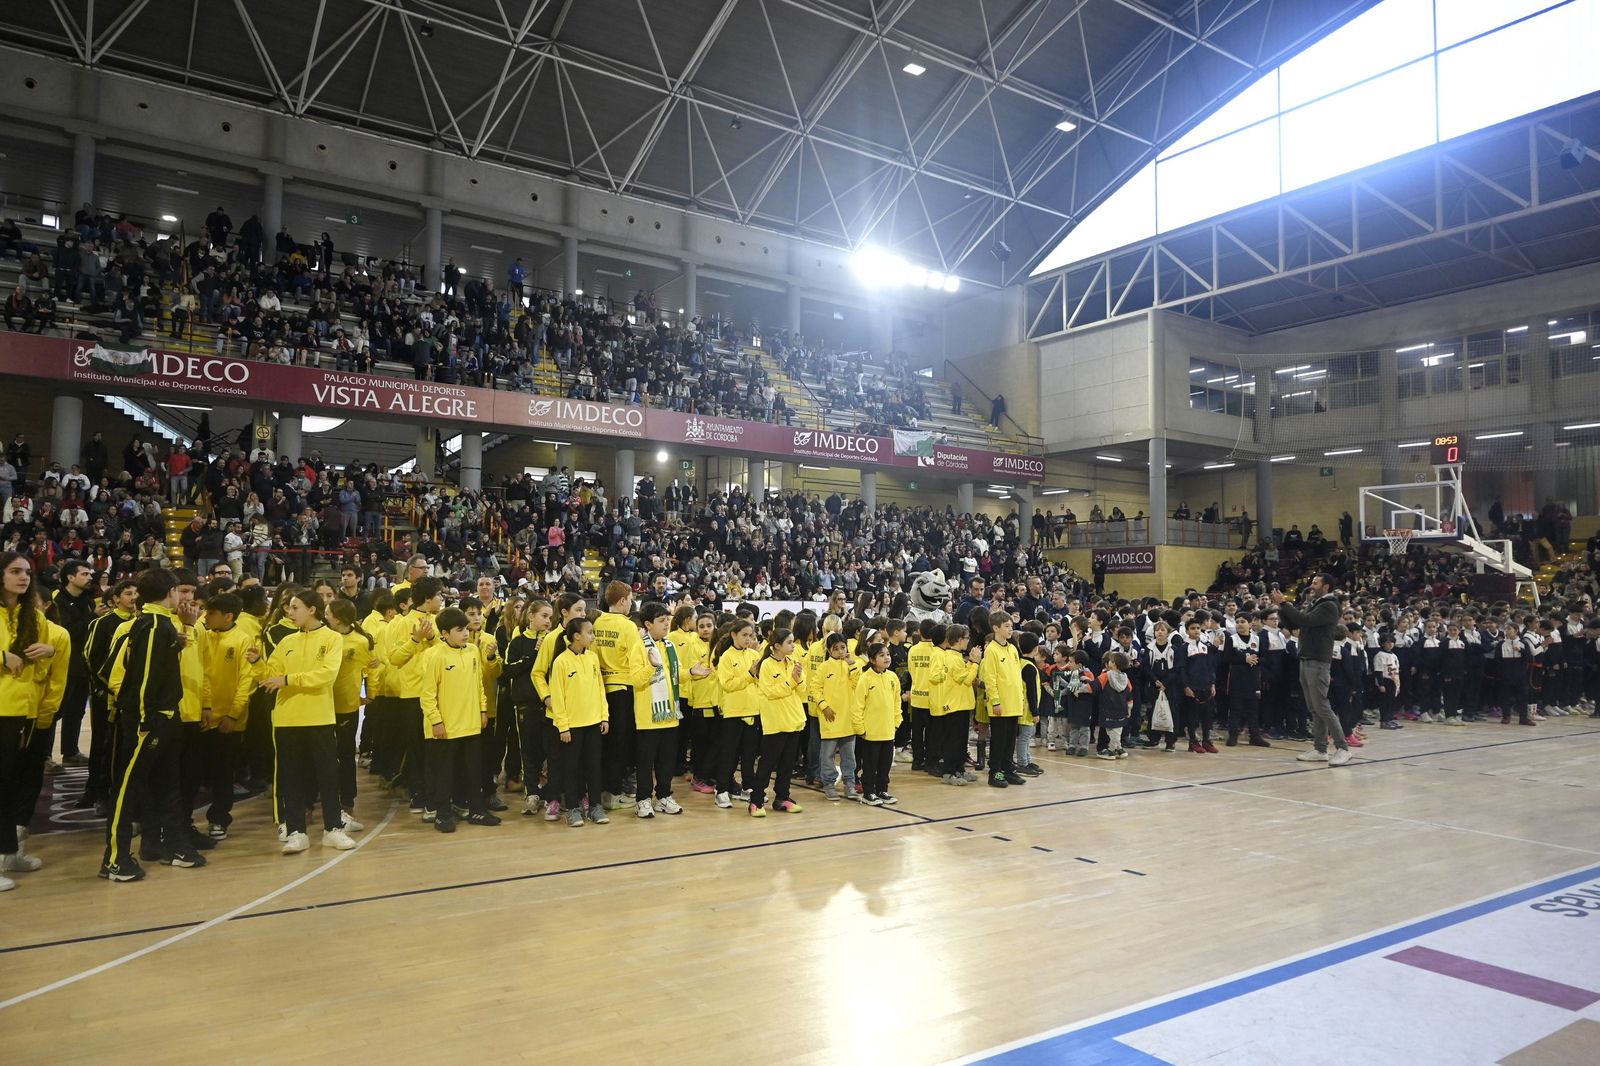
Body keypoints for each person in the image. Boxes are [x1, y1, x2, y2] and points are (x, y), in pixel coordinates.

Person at [260, 589, 358, 853]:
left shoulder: (332, 639)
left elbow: (326, 675)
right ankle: (296, 831)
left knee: (327, 774)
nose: (289, 613)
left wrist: (290, 680)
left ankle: (332, 829)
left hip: (319, 718)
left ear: (312, 609)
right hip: (286, 719)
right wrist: (258, 663)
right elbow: (272, 675)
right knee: (291, 777)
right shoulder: (286, 642)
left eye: (294, 608)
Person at [419, 607, 500, 832]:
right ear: (444, 633)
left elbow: (479, 685)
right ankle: (442, 814)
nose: (465, 633)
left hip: (471, 723)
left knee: (473, 771)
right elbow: (427, 694)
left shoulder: (474, 651)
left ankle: (476, 809)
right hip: (446, 727)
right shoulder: (434, 655)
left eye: (465, 628)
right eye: (459, 630)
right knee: (444, 774)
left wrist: (483, 710)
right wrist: (436, 721)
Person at [1273, 572, 1351, 766]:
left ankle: (1343, 748)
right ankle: (1320, 748)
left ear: (1326, 587)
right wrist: (1280, 608)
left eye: (1316, 583)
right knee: (1314, 707)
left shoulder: (1329, 606)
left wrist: (1284, 604)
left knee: (1322, 706)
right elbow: (1295, 623)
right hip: (1307, 658)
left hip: (1318, 660)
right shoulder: (1315, 604)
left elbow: (1304, 621)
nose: (1312, 585)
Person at [198, 591, 257, 840]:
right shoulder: (200, 635)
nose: (206, 617)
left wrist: (233, 714)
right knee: (197, 771)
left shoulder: (243, 640)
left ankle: (219, 819)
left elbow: (247, 681)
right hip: (201, 715)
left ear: (228, 616)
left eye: (211, 613)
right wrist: (203, 705)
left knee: (224, 773)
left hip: (228, 719)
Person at [549, 616, 607, 828]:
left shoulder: (592, 658)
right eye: (590, 632)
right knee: (571, 768)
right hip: (571, 727)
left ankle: (595, 806)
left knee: (594, 767)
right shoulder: (561, 662)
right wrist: (563, 726)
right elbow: (557, 697)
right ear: (576, 636)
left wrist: (604, 716)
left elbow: (600, 688)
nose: (593, 636)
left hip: (593, 723)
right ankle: (572, 807)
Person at [630, 601, 683, 818]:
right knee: (645, 762)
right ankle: (643, 799)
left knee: (667, 760)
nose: (666, 625)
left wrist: (692, 672)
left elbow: (675, 675)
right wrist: (651, 666)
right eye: (662, 621)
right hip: (648, 716)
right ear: (648, 624)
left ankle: (663, 796)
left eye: (668, 620)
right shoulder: (639, 647)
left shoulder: (669, 646)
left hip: (670, 715)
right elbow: (635, 680)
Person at [749, 627, 806, 817]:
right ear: (776, 646)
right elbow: (771, 692)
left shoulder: (794, 663)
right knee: (767, 764)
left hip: (794, 720)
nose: (793, 646)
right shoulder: (766, 665)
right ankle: (756, 800)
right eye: (789, 642)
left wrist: (798, 680)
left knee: (787, 764)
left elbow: (802, 689)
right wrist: (791, 682)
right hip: (775, 722)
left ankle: (782, 797)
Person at [809, 632, 859, 801]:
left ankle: (849, 783)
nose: (840, 651)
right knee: (827, 755)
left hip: (848, 719)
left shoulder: (852, 665)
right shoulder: (824, 667)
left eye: (842, 647)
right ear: (829, 651)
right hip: (830, 718)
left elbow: (857, 685)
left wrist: (852, 665)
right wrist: (824, 706)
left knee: (849, 755)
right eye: (835, 649)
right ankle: (829, 783)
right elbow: (814, 688)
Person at [853, 643, 902, 806]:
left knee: (885, 764)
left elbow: (897, 703)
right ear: (872, 659)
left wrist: (896, 722)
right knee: (870, 765)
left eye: (887, 654)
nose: (887, 657)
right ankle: (868, 793)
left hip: (888, 731)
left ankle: (882, 790)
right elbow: (858, 706)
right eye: (881, 655)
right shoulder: (865, 679)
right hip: (871, 733)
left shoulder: (893, 677)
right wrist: (860, 729)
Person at [980, 614, 1026, 787]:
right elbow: (990, 679)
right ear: (996, 628)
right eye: (1006, 626)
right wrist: (995, 701)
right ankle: (995, 772)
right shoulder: (991, 650)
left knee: (1010, 739)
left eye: (1011, 626)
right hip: (1000, 704)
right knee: (999, 740)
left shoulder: (1013, 648)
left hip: (1014, 702)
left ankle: (1007, 769)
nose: (1010, 629)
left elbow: (1016, 676)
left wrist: (1020, 697)